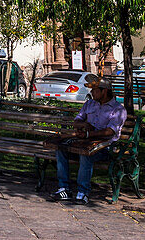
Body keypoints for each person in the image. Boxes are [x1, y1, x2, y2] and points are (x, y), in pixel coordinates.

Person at [47, 75, 127, 205]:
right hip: (85, 142)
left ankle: (83, 192)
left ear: (104, 91)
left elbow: (110, 132)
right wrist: (83, 126)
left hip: (106, 148)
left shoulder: (118, 110)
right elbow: (77, 121)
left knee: (86, 155)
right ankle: (64, 189)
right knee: (61, 149)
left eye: (95, 90)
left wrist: (90, 134)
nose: (91, 93)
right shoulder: (90, 103)